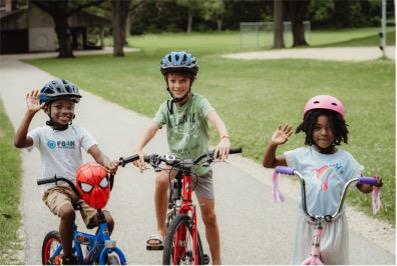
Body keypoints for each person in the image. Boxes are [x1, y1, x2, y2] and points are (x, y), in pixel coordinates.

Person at [133, 51, 230, 265]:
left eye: (183, 80)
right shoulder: (166, 107)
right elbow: (152, 127)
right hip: (176, 162)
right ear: (167, 81)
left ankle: (217, 262)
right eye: (173, 80)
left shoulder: (199, 103)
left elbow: (215, 118)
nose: (178, 85)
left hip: (200, 165)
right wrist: (139, 147)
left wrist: (224, 137)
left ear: (191, 80)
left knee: (209, 217)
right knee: (160, 179)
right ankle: (161, 229)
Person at [262, 95, 380, 264]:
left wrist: (373, 184)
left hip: (334, 224)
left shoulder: (345, 159)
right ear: (309, 129)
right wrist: (273, 144)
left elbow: (362, 186)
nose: (324, 133)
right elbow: (269, 163)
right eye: (317, 128)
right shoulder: (302, 155)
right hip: (307, 222)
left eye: (329, 128)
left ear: (338, 130)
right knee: (302, 259)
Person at [14, 79, 119, 264]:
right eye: (59, 106)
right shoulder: (42, 133)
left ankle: (91, 257)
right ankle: (68, 256)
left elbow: (98, 154)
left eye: (70, 106)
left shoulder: (79, 132)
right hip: (54, 188)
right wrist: (29, 114)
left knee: (108, 221)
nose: (65, 111)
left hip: (81, 187)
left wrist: (108, 163)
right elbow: (19, 142)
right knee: (67, 212)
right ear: (46, 108)